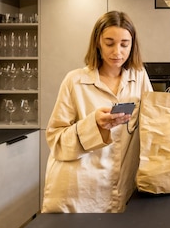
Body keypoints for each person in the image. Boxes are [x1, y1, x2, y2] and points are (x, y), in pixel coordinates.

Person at [42, 11, 153, 213]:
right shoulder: (74, 81)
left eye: (124, 44)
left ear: (132, 45)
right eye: (109, 43)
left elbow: (151, 126)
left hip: (122, 190)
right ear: (97, 43)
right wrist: (94, 125)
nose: (117, 52)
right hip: (79, 192)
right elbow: (56, 141)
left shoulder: (139, 77)